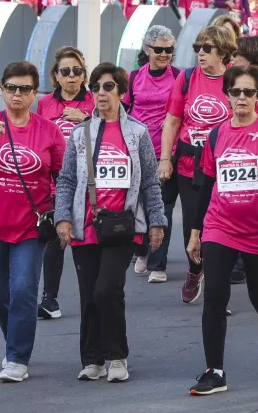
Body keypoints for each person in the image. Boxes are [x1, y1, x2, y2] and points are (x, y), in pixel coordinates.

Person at [54, 63, 166, 383]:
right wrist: (63, 217)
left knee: (107, 289)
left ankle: (117, 356)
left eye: (107, 87)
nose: (100, 93)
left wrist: (156, 222)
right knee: (89, 294)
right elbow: (66, 180)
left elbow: (149, 183)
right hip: (86, 225)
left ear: (121, 92)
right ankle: (93, 359)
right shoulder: (81, 134)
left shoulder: (138, 133)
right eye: (95, 88)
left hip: (122, 225)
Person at [186, 65, 258, 395]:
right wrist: (195, 231)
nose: (242, 98)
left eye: (249, 92)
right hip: (220, 226)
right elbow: (206, 185)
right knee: (215, 297)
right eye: (235, 92)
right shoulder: (216, 135)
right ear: (227, 95)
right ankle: (214, 371)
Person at [0, 61, 66, 383]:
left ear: (35, 94)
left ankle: (17, 357)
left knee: (22, 289)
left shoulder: (48, 131)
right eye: (11, 87)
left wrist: (64, 217)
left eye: (24, 88)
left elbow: (63, 177)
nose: (16, 94)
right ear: (2, 90)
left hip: (31, 227)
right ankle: (15, 339)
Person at [159, 25, 237, 304]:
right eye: (197, 48)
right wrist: (165, 159)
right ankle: (195, 271)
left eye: (207, 48)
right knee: (193, 224)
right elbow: (172, 121)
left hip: (224, 168)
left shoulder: (235, 79)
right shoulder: (188, 77)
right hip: (189, 165)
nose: (200, 53)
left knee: (220, 228)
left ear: (223, 52)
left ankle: (217, 287)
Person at [34, 47, 95, 320]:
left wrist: (87, 119)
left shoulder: (93, 100)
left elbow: (112, 131)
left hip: (90, 184)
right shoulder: (45, 104)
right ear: (56, 76)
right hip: (55, 184)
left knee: (89, 240)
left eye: (77, 71)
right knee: (55, 238)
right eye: (65, 71)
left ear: (84, 75)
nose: (71, 76)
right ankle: (50, 299)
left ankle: (96, 295)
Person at [123, 26, 180, 282]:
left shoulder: (178, 77)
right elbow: (123, 110)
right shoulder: (135, 77)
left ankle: (158, 265)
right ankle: (142, 249)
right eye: (159, 49)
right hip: (136, 150)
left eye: (169, 50)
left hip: (167, 151)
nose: (164, 54)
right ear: (147, 50)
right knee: (137, 205)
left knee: (162, 206)